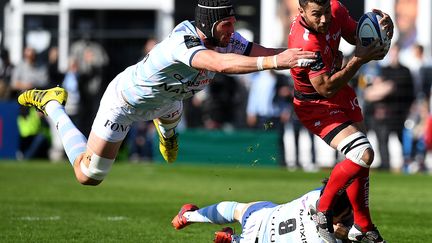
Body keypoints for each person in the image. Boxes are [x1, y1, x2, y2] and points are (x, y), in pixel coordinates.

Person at [17, 0, 317, 186]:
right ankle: (52, 103)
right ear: (210, 25)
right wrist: (277, 61)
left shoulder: (225, 37)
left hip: (169, 101)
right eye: (227, 24)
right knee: (88, 176)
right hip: (125, 103)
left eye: (233, 22)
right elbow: (220, 64)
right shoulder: (181, 42)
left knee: (171, 106)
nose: (233, 29)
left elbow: (257, 51)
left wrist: (298, 55)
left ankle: (166, 130)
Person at [287, 0, 393, 242]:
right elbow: (324, 88)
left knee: (360, 161)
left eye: (326, 12)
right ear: (301, 11)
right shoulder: (305, 43)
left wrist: (382, 32)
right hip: (315, 104)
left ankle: (363, 227)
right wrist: (358, 59)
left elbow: (359, 39)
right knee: (363, 154)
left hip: (341, 90)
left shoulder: (334, 9)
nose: (324, 19)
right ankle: (323, 210)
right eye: (316, 15)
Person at [171, 179, 356, 243]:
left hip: (262, 216)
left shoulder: (314, 196)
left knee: (237, 209)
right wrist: (347, 236)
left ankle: (188, 216)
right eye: (348, 214)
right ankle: (232, 240)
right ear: (337, 217)